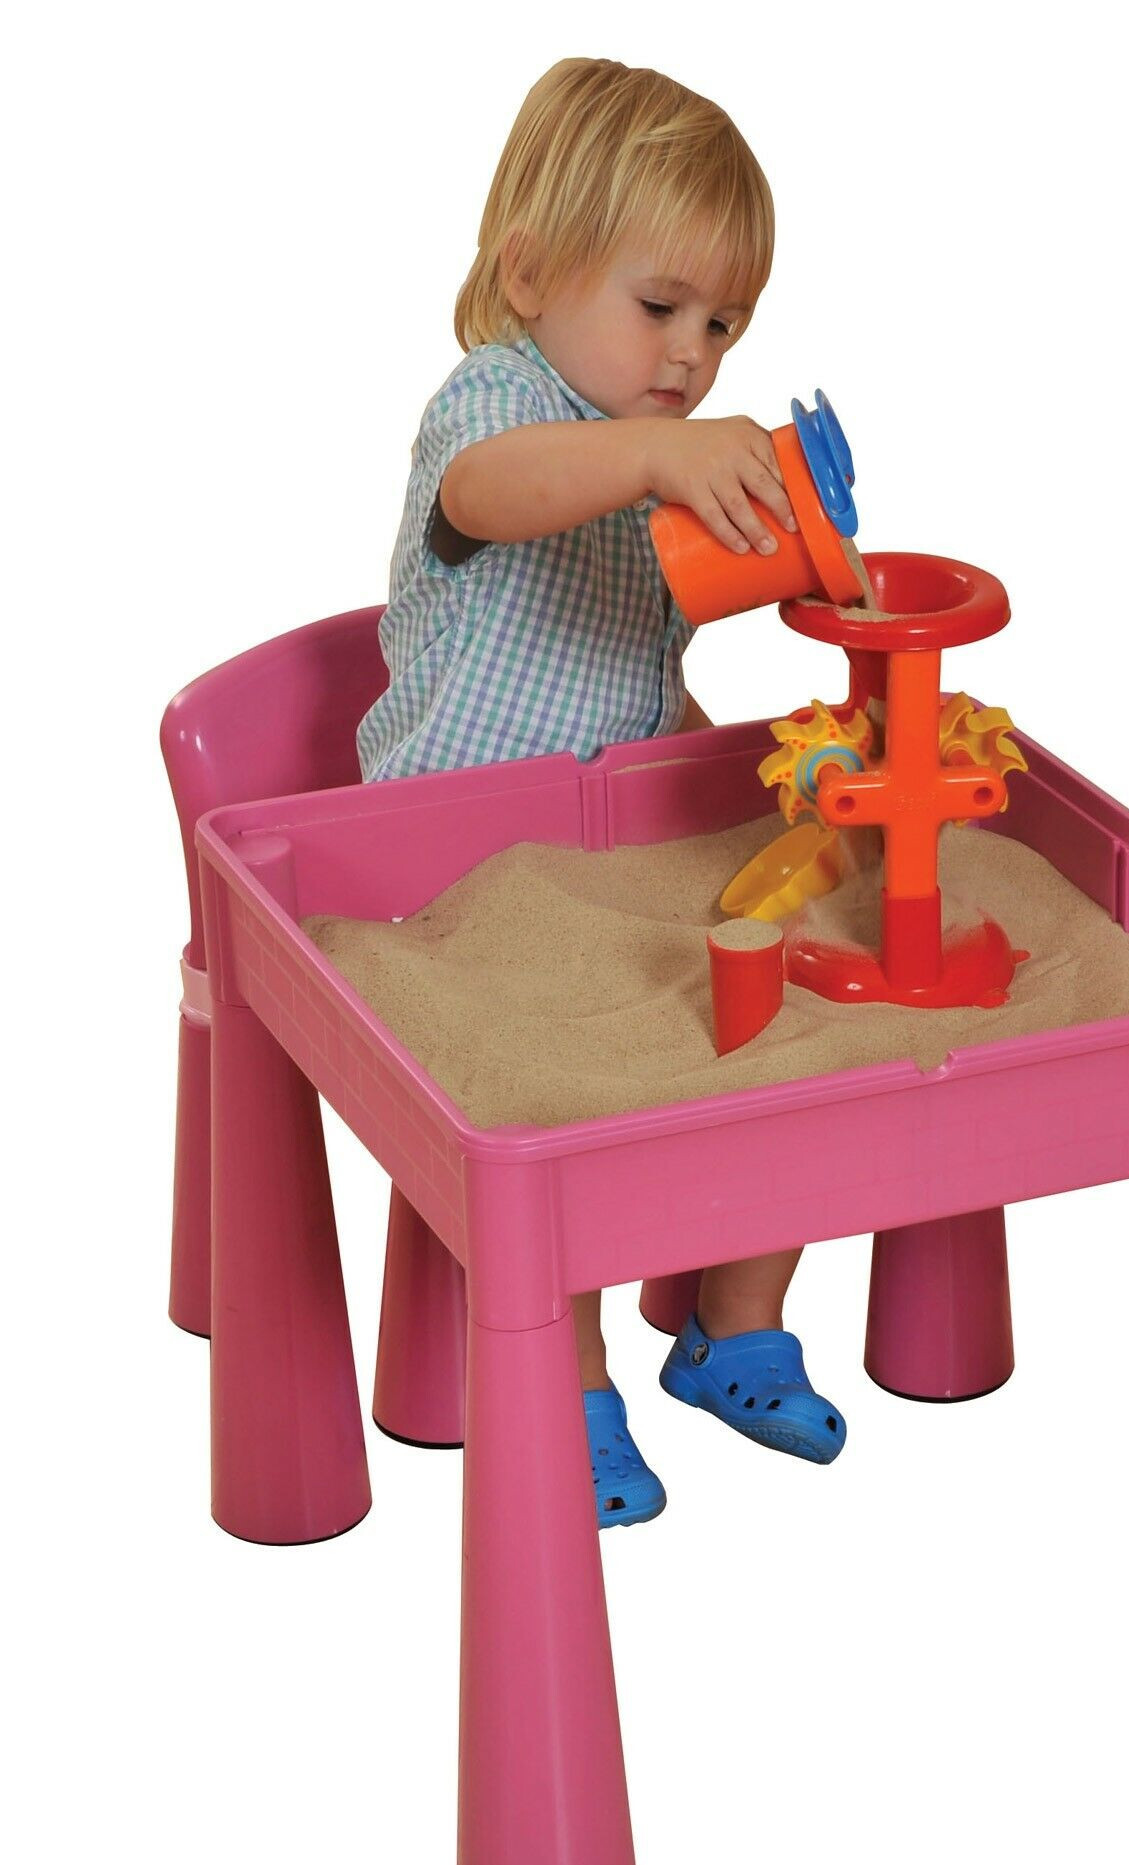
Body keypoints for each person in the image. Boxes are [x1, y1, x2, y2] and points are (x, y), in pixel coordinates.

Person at [358, 57, 844, 1527]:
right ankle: (562, 1381)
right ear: (530, 273)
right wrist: (651, 457)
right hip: (445, 872)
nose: (691, 356)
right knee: (540, 1090)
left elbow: (631, 678)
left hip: (600, 858)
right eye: (660, 307)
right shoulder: (495, 411)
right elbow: (495, 493)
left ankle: (734, 1324)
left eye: (722, 325)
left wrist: (748, 767)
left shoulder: (646, 485)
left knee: (790, 998)